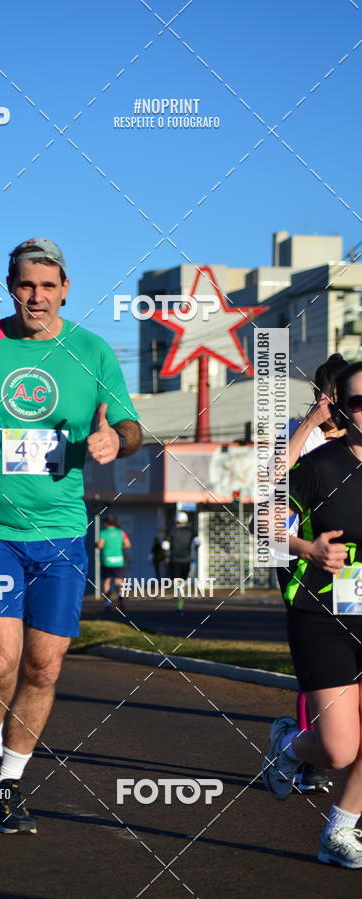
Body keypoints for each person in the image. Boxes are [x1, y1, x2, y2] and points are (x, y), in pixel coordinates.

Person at [0, 237, 141, 834]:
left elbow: (130, 424)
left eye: (48, 285)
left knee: (42, 667)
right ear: (11, 287)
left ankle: (9, 779)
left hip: (60, 530)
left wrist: (117, 440)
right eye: (25, 285)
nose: (36, 297)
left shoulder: (92, 351)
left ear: (66, 288)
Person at [261, 361, 362, 869]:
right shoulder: (319, 457)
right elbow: (266, 508)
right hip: (321, 597)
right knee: (341, 749)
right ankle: (291, 744)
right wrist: (306, 548)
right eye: (358, 400)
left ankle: (340, 831)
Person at [282, 353, 348, 795]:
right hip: (306, 559)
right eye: (331, 392)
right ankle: (311, 754)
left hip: (353, 564)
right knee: (321, 665)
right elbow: (273, 478)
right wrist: (310, 421)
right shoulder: (304, 436)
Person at [163, 511, 196, 613]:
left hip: (175, 560)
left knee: (177, 581)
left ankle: (179, 600)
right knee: (184, 581)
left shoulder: (172, 531)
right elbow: (197, 542)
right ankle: (180, 603)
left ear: (176, 520)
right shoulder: (191, 531)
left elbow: (165, 545)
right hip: (187, 560)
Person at [97, 516, 131, 613]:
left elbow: (100, 545)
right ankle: (121, 601)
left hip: (107, 560)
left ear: (107, 523)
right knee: (119, 582)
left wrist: (97, 544)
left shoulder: (103, 533)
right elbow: (128, 544)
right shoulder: (121, 532)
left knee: (107, 582)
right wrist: (119, 545)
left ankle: (107, 604)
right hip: (119, 560)